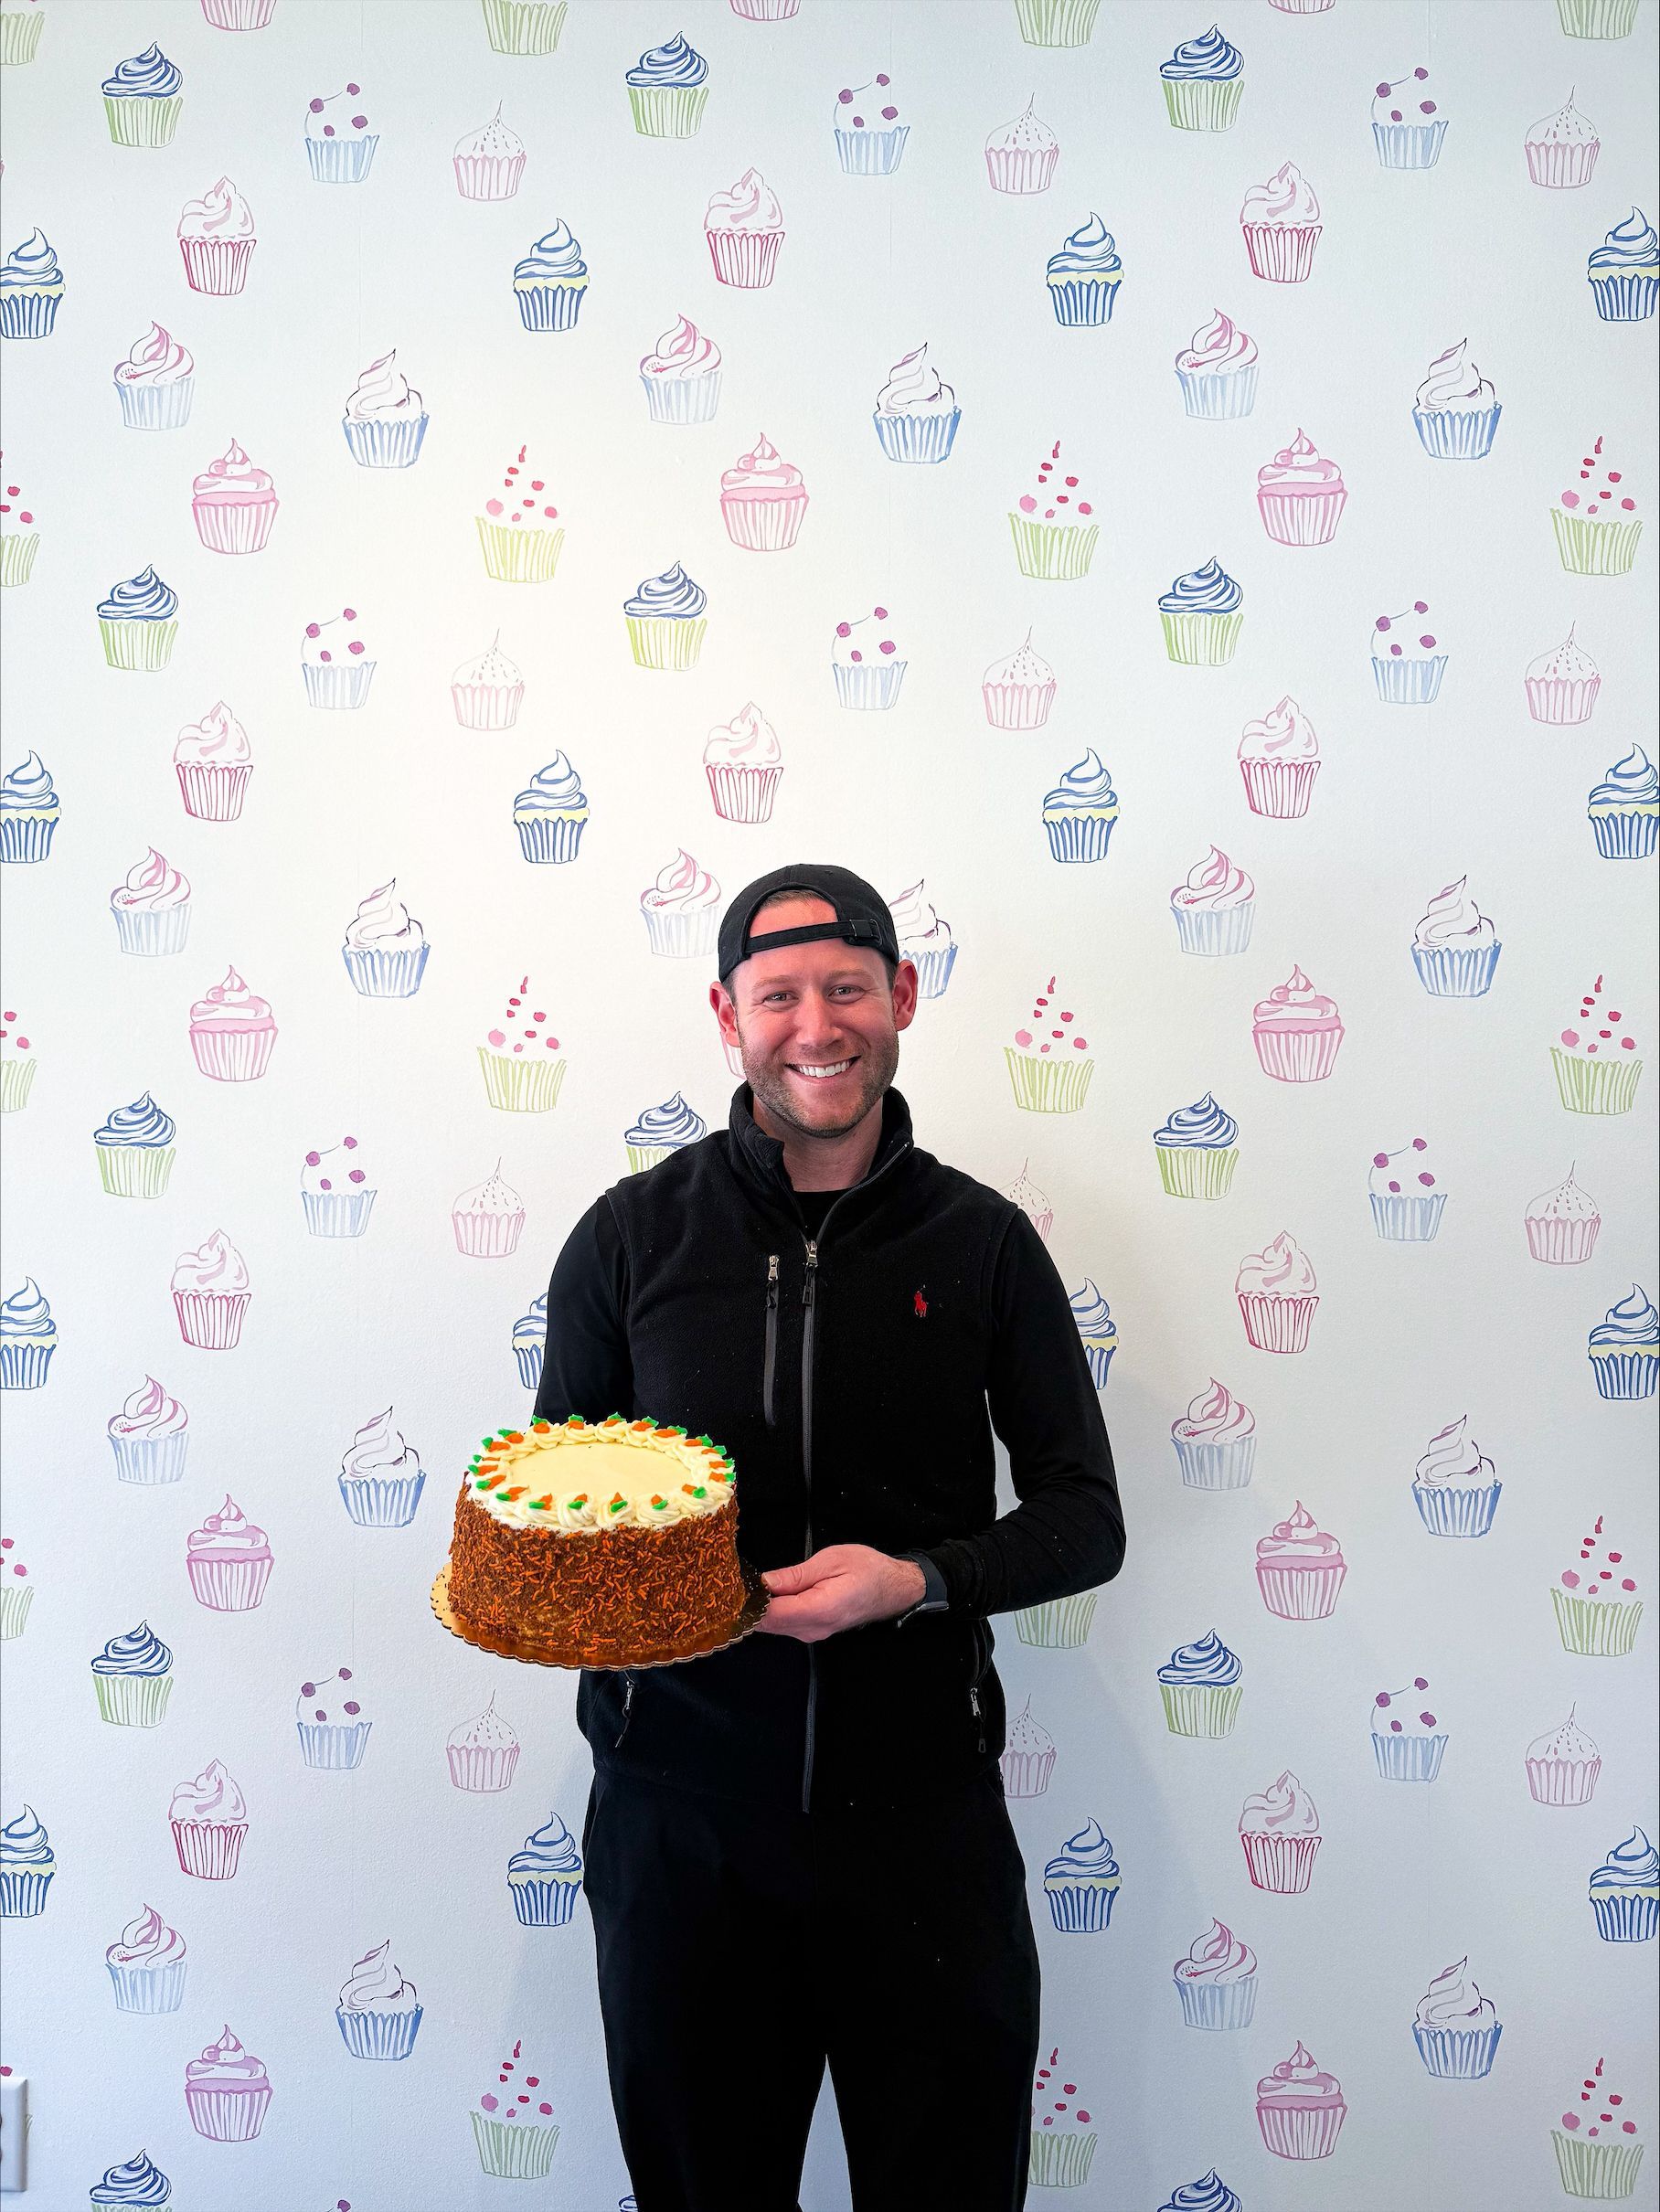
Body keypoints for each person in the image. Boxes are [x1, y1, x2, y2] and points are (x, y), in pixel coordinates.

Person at [534, 863, 1125, 2212]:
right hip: (681, 1826)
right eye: (780, 996)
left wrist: (914, 1582)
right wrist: (680, 1600)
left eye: (847, 987)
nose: (817, 1026)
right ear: (728, 1018)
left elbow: (1083, 1521)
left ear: (900, 996)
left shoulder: (983, 1244)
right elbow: (557, 1524)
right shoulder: (629, 1240)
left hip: (923, 1832)